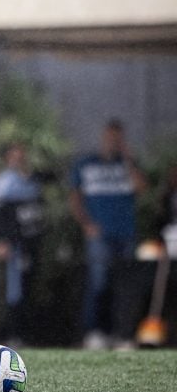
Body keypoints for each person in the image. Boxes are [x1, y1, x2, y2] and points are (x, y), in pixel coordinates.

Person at [70, 118, 147, 350]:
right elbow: (75, 198)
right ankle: (95, 332)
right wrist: (86, 224)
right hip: (99, 235)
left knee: (125, 287)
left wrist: (129, 160)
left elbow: (142, 188)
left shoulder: (128, 165)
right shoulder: (87, 164)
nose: (114, 142)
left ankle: (122, 334)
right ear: (103, 138)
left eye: (118, 139)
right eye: (110, 138)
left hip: (126, 234)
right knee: (99, 282)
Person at [0, 143, 46, 345]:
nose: (18, 160)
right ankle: (13, 335)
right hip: (15, 244)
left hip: (33, 242)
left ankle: (29, 334)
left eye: (21, 156)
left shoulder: (32, 179)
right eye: (14, 157)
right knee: (15, 290)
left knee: (32, 287)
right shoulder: (4, 182)